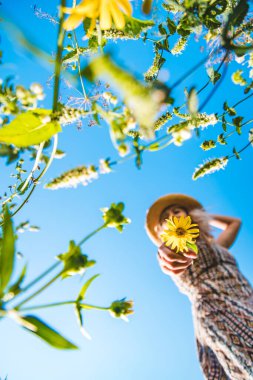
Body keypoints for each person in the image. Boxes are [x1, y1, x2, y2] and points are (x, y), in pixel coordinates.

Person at [145, 194, 253, 380]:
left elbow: (235, 222)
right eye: (166, 217)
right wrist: (166, 256)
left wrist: (202, 216)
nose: (172, 215)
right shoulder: (175, 244)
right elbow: (167, 256)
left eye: (176, 210)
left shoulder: (218, 246)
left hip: (246, 298)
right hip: (217, 309)